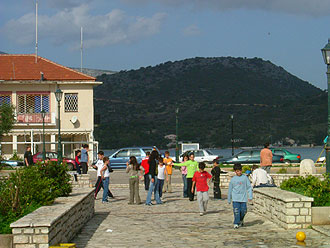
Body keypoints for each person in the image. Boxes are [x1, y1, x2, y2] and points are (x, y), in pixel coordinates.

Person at [228, 163, 253, 229]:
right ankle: (236, 223)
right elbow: (230, 189)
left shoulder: (245, 178)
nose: (239, 172)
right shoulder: (233, 179)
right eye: (237, 171)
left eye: (240, 171)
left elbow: (249, 187)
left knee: (243, 211)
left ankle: (241, 220)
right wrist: (229, 198)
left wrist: (250, 196)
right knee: (236, 211)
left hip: (243, 198)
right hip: (235, 198)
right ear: (235, 171)